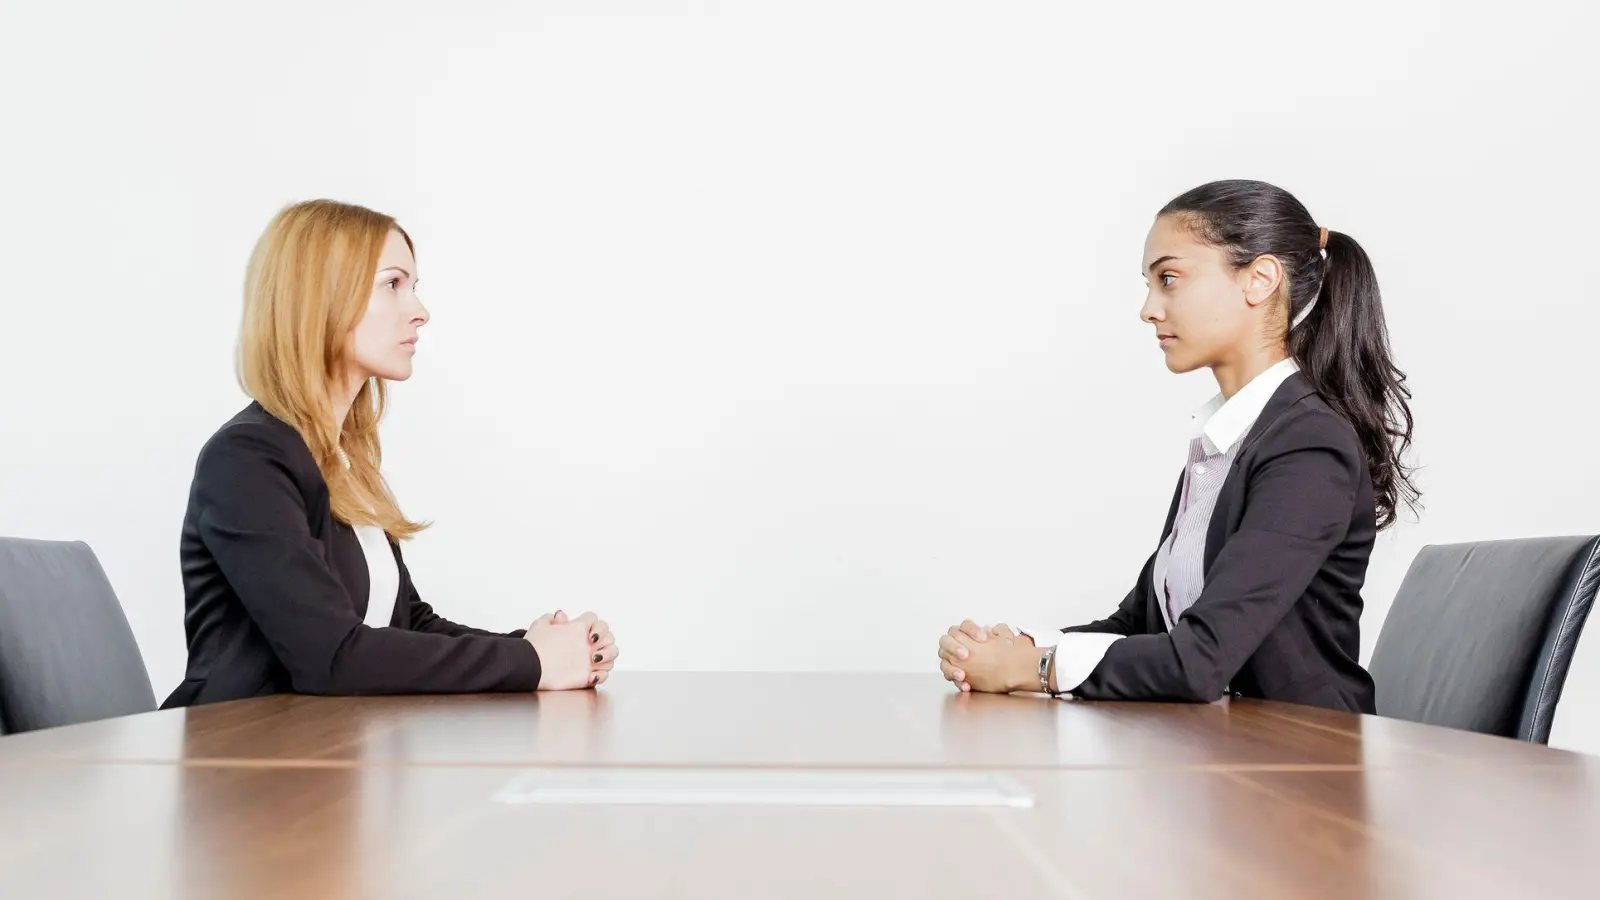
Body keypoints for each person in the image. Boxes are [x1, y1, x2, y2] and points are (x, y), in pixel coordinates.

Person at [936, 179, 1417, 713]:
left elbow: (1199, 661)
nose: (1148, 309)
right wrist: (1016, 651)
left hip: (1301, 769)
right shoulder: (1226, 445)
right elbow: (1140, 624)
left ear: (1259, 280)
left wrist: (1036, 670)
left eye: (1169, 279)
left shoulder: (1308, 446)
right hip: (1219, 757)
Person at [162, 199, 617, 708]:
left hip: (325, 755)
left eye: (414, 288)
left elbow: (406, 624)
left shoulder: (344, 459)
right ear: (321, 299)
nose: (420, 312)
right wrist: (532, 664)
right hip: (237, 762)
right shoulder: (247, 460)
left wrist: (537, 650)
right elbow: (332, 657)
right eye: (393, 284)